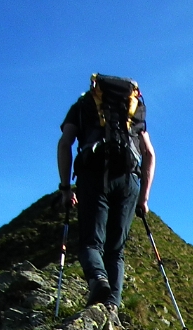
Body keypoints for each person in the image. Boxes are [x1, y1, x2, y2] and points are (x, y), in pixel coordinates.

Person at [58, 75, 157, 310]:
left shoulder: (82, 106)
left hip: (94, 175)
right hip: (128, 179)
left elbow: (65, 144)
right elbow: (149, 154)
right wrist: (144, 198)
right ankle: (112, 307)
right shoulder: (134, 110)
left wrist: (64, 188)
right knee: (116, 250)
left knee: (91, 243)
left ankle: (98, 279)